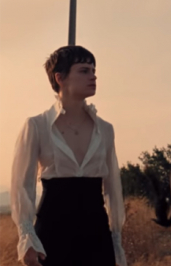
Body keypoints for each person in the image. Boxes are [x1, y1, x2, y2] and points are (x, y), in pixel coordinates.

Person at [10, 45, 127, 266]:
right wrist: (27, 239)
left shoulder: (105, 129)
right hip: (53, 230)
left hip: (96, 231)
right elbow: (21, 187)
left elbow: (113, 187)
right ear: (59, 77)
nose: (93, 76)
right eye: (84, 70)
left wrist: (116, 239)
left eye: (94, 71)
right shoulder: (37, 125)